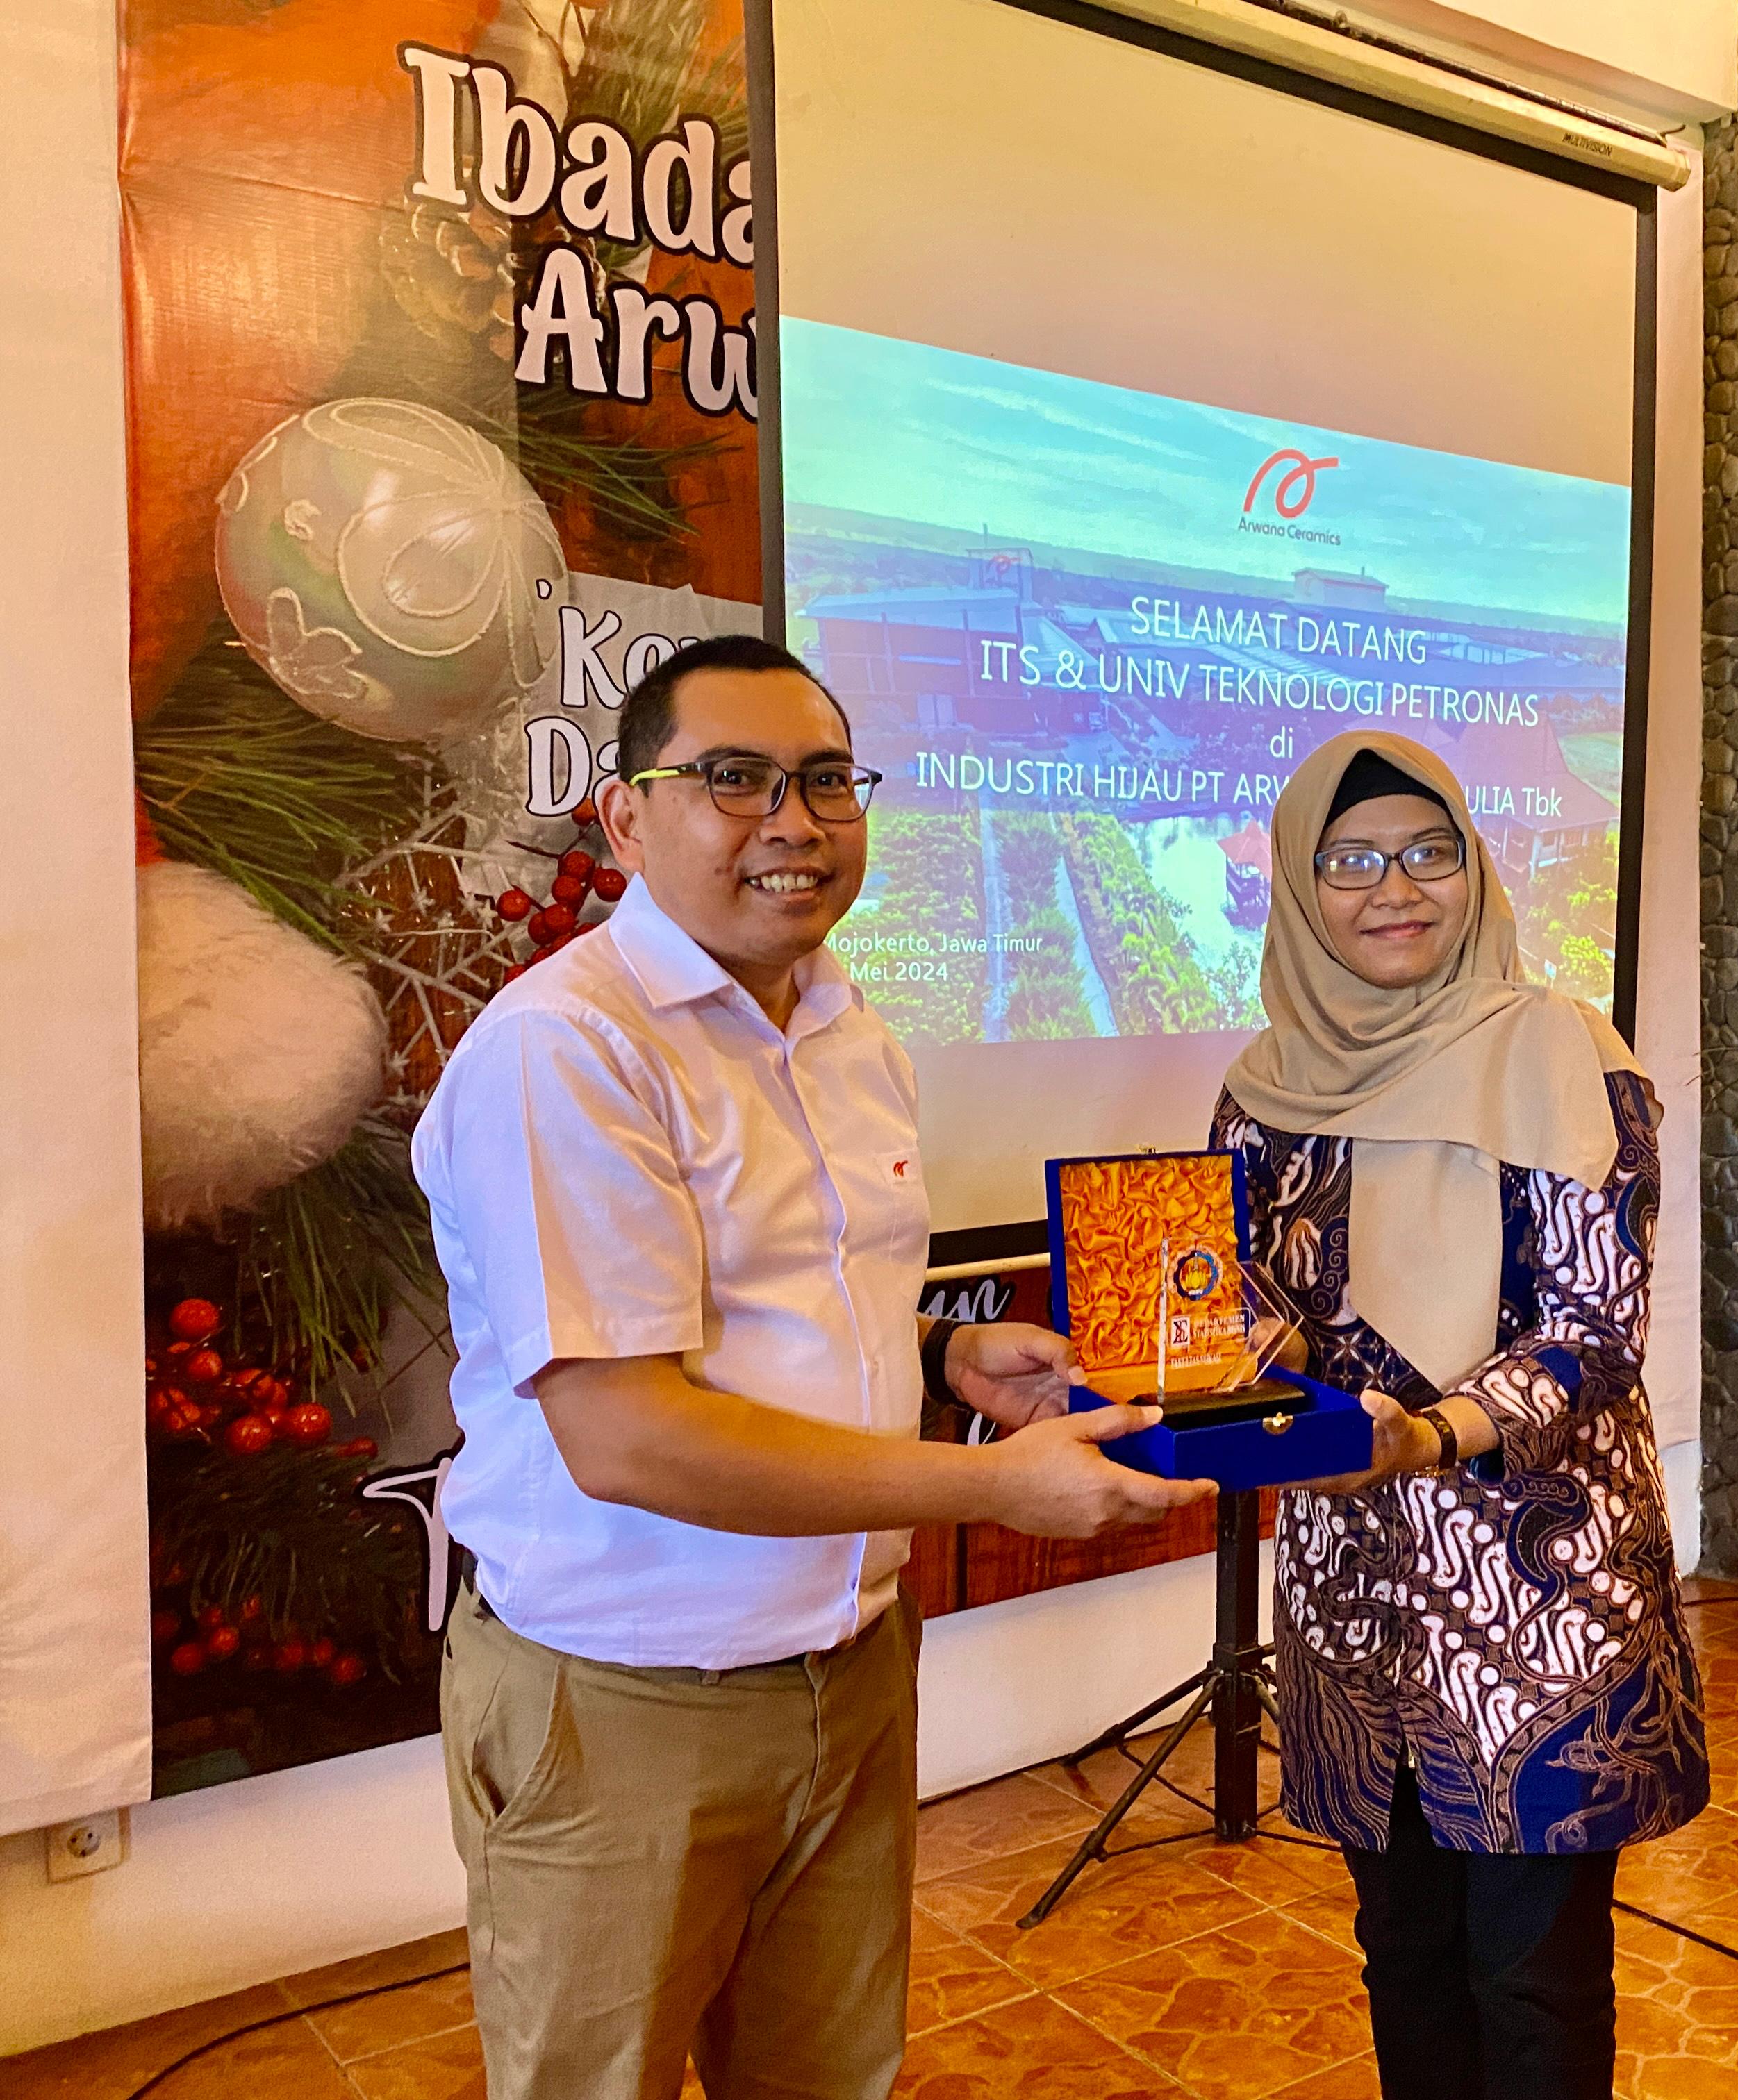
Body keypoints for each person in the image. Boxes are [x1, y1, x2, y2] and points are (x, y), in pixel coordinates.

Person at [413, 634, 1211, 2100]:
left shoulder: (851, 1031)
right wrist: (990, 1491)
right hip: (628, 1697)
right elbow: (626, 1434)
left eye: (827, 781)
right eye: (735, 780)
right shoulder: (567, 1050)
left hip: (852, 1668)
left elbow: (790, 1314)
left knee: (829, 2076)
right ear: (626, 818)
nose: (793, 821)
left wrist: (948, 1354)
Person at [1211, 731, 1707, 2100]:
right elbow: (1247, 1301)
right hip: (1351, 1596)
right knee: (1403, 1949)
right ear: (1298, 885)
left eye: (1429, 852)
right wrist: (1226, 1356)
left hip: (1537, 1606)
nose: (1396, 888)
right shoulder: (1258, 1092)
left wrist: (1427, 1433)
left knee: (1534, 1975)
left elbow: (1595, 1330)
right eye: (1351, 860)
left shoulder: (1564, 1053)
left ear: (1475, 868)